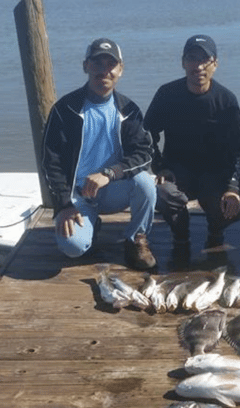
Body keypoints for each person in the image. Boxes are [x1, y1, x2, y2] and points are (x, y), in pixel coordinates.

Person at [41, 37, 158, 270]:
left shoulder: (129, 110)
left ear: (120, 70)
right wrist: (64, 205)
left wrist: (111, 173)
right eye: (97, 63)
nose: (104, 71)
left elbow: (144, 154)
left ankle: (136, 238)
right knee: (72, 248)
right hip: (78, 196)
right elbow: (49, 162)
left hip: (113, 189)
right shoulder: (65, 110)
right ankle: (90, 227)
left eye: (110, 64)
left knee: (146, 183)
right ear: (86, 66)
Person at [144, 34, 240, 255]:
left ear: (215, 64)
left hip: (215, 174)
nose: (198, 66)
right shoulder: (167, 94)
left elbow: (238, 151)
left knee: (228, 203)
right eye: (192, 58)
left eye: (205, 59)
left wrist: (233, 188)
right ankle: (181, 235)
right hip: (178, 171)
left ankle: (216, 233)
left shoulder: (226, 100)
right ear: (183, 62)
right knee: (161, 192)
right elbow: (146, 134)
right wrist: (159, 167)